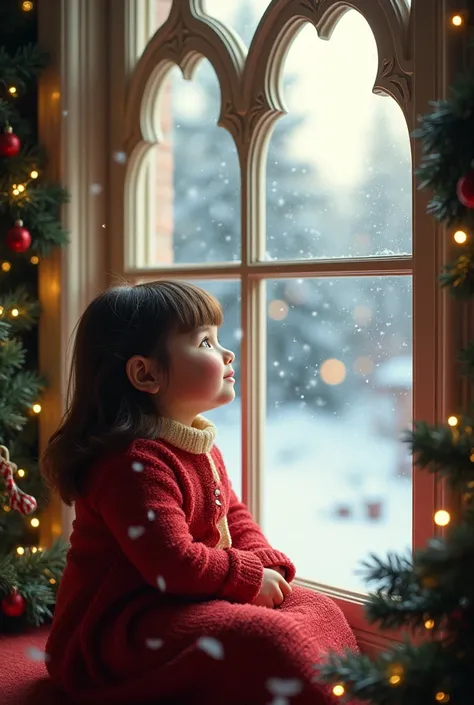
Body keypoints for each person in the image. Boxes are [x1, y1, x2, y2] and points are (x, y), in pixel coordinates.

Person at [41, 280, 357, 705]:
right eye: (205, 341)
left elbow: (234, 515)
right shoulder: (131, 464)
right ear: (146, 374)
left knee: (319, 608)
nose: (227, 353)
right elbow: (172, 563)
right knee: (265, 638)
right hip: (124, 623)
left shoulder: (195, 442)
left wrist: (265, 563)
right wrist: (246, 578)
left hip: (186, 598)